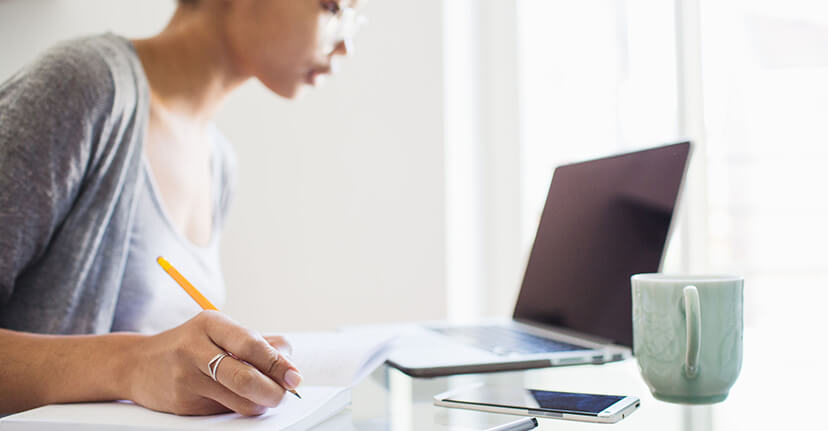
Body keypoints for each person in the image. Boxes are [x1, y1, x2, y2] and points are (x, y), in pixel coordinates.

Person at [0, 0, 362, 416]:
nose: (346, 44)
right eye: (333, 7)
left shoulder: (219, 162)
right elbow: (139, 368)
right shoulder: (81, 87)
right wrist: (129, 365)